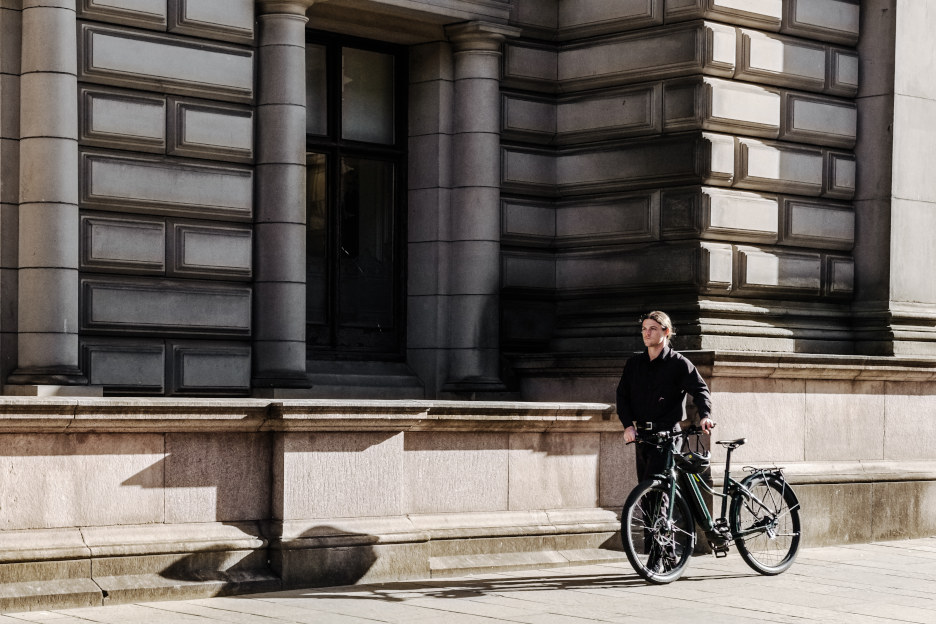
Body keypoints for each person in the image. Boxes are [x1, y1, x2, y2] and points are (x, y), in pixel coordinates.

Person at [616, 311, 714, 484]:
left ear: (666, 332)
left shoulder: (679, 363)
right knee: (645, 493)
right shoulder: (634, 364)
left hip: (668, 436)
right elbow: (622, 396)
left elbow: (701, 390)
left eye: (653, 329)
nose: (647, 333)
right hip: (642, 436)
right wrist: (627, 426)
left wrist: (705, 415)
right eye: (644, 328)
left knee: (658, 489)